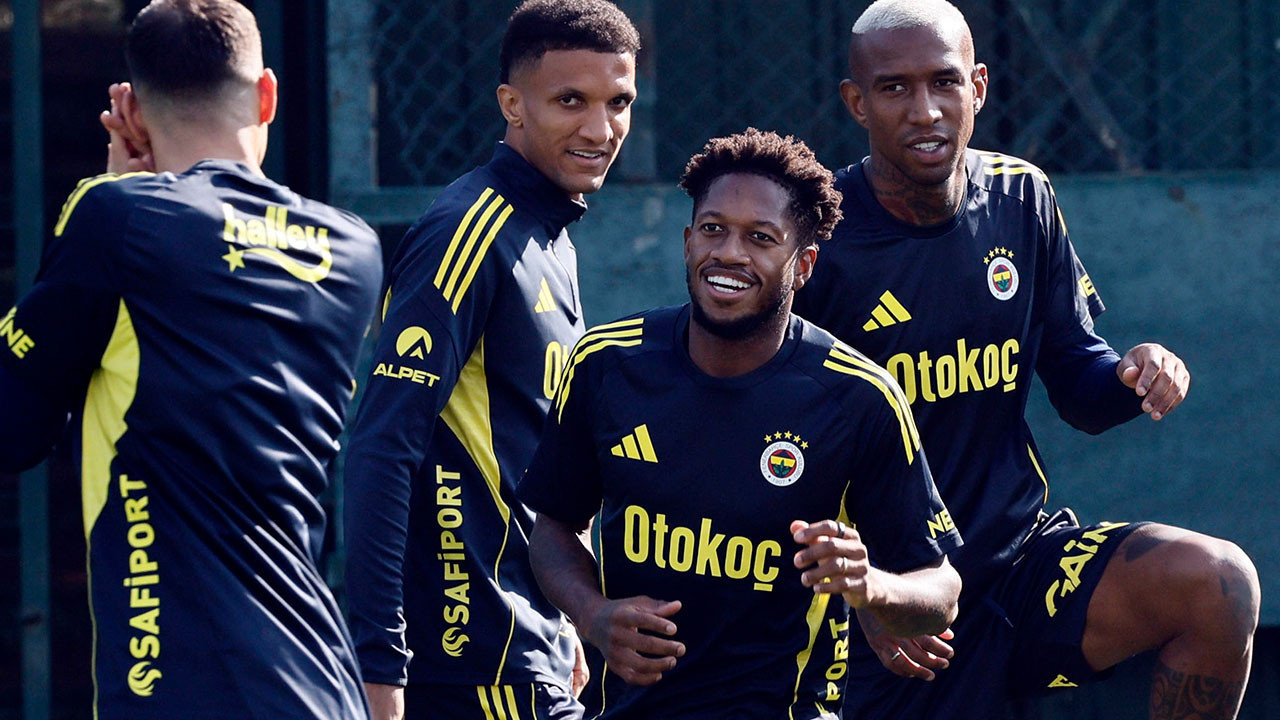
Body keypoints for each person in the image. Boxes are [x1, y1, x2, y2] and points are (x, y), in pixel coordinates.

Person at [790, 1, 1260, 718]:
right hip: (886, 602)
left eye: (944, 82)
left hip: (1018, 568)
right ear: (857, 103)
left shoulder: (1021, 196)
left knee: (1218, 583)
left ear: (977, 87)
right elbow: (776, 447)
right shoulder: (818, 236)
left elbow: (1078, 380)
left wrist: (1132, 375)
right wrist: (867, 597)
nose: (925, 111)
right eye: (894, 88)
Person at [0, 1, 381, 718]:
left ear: (134, 112)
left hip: (180, 687)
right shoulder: (352, 249)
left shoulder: (116, 219)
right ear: (267, 94)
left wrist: (111, 193)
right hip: (325, 685)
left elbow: (15, 427)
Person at [516, 128, 962, 720]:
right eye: (712, 229)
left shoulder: (859, 398)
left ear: (803, 265)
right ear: (687, 242)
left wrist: (870, 587)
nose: (729, 253)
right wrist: (593, 614)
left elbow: (941, 590)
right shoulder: (606, 363)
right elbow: (553, 527)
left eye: (760, 237)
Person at [341, 2, 640, 718]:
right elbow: (381, 445)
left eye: (618, 102)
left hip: (527, 653)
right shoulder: (467, 231)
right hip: (467, 665)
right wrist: (379, 665)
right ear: (512, 104)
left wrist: (567, 617)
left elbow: (542, 458)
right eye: (570, 101)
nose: (600, 129)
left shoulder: (550, 236)